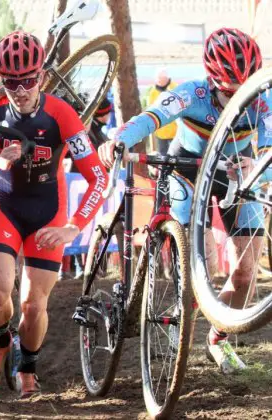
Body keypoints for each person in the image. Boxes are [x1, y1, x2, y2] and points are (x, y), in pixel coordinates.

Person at [98, 27, 270, 374]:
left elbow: (268, 149)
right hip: (186, 171)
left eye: (245, 88)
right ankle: (182, 316)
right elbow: (151, 118)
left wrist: (258, 169)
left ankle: (218, 338)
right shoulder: (193, 93)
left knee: (246, 274)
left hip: (235, 173)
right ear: (214, 80)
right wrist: (119, 139)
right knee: (201, 263)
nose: (240, 97)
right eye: (230, 91)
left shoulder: (263, 99)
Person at [0, 31, 107, 398]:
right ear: (0, 79)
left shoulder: (61, 114)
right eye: (11, 82)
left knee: (32, 302)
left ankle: (28, 368)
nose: (21, 89)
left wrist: (74, 227)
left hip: (48, 211)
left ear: (41, 76)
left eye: (28, 80)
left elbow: (97, 177)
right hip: (4, 205)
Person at [142, 68, 178, 155]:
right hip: (160, 131)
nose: (158, 81)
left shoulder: (175, 88)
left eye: (161, 79)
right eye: (157, 79)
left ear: (166, 78)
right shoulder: (151, 92)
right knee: (162, 154)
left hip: (175, 131)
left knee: (176, 154)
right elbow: (146, 108)